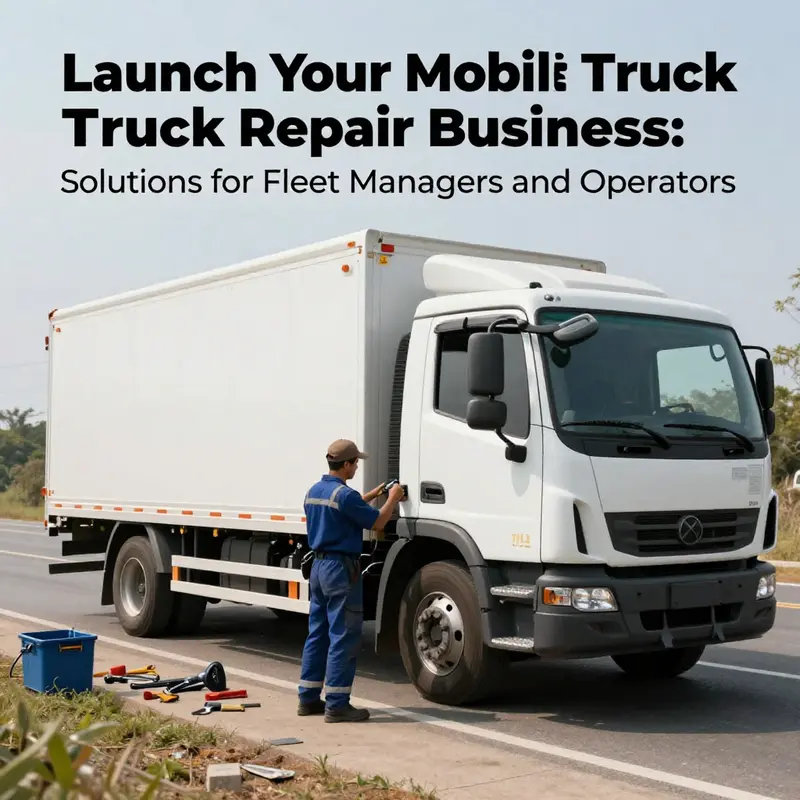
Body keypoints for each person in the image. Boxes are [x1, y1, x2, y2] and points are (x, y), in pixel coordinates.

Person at [297, 439, 405, 723]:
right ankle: (337, 704)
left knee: (317, 634)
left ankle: (307, 699)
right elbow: (377, 522)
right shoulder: (344, 496)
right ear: (345, 464)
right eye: (355, 462)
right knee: (343, 637)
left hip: (319, 567)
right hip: (340, 569)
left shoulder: (315, 491)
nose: (357, 466)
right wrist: (393, 496)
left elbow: (349, 507)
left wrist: (375, 493)